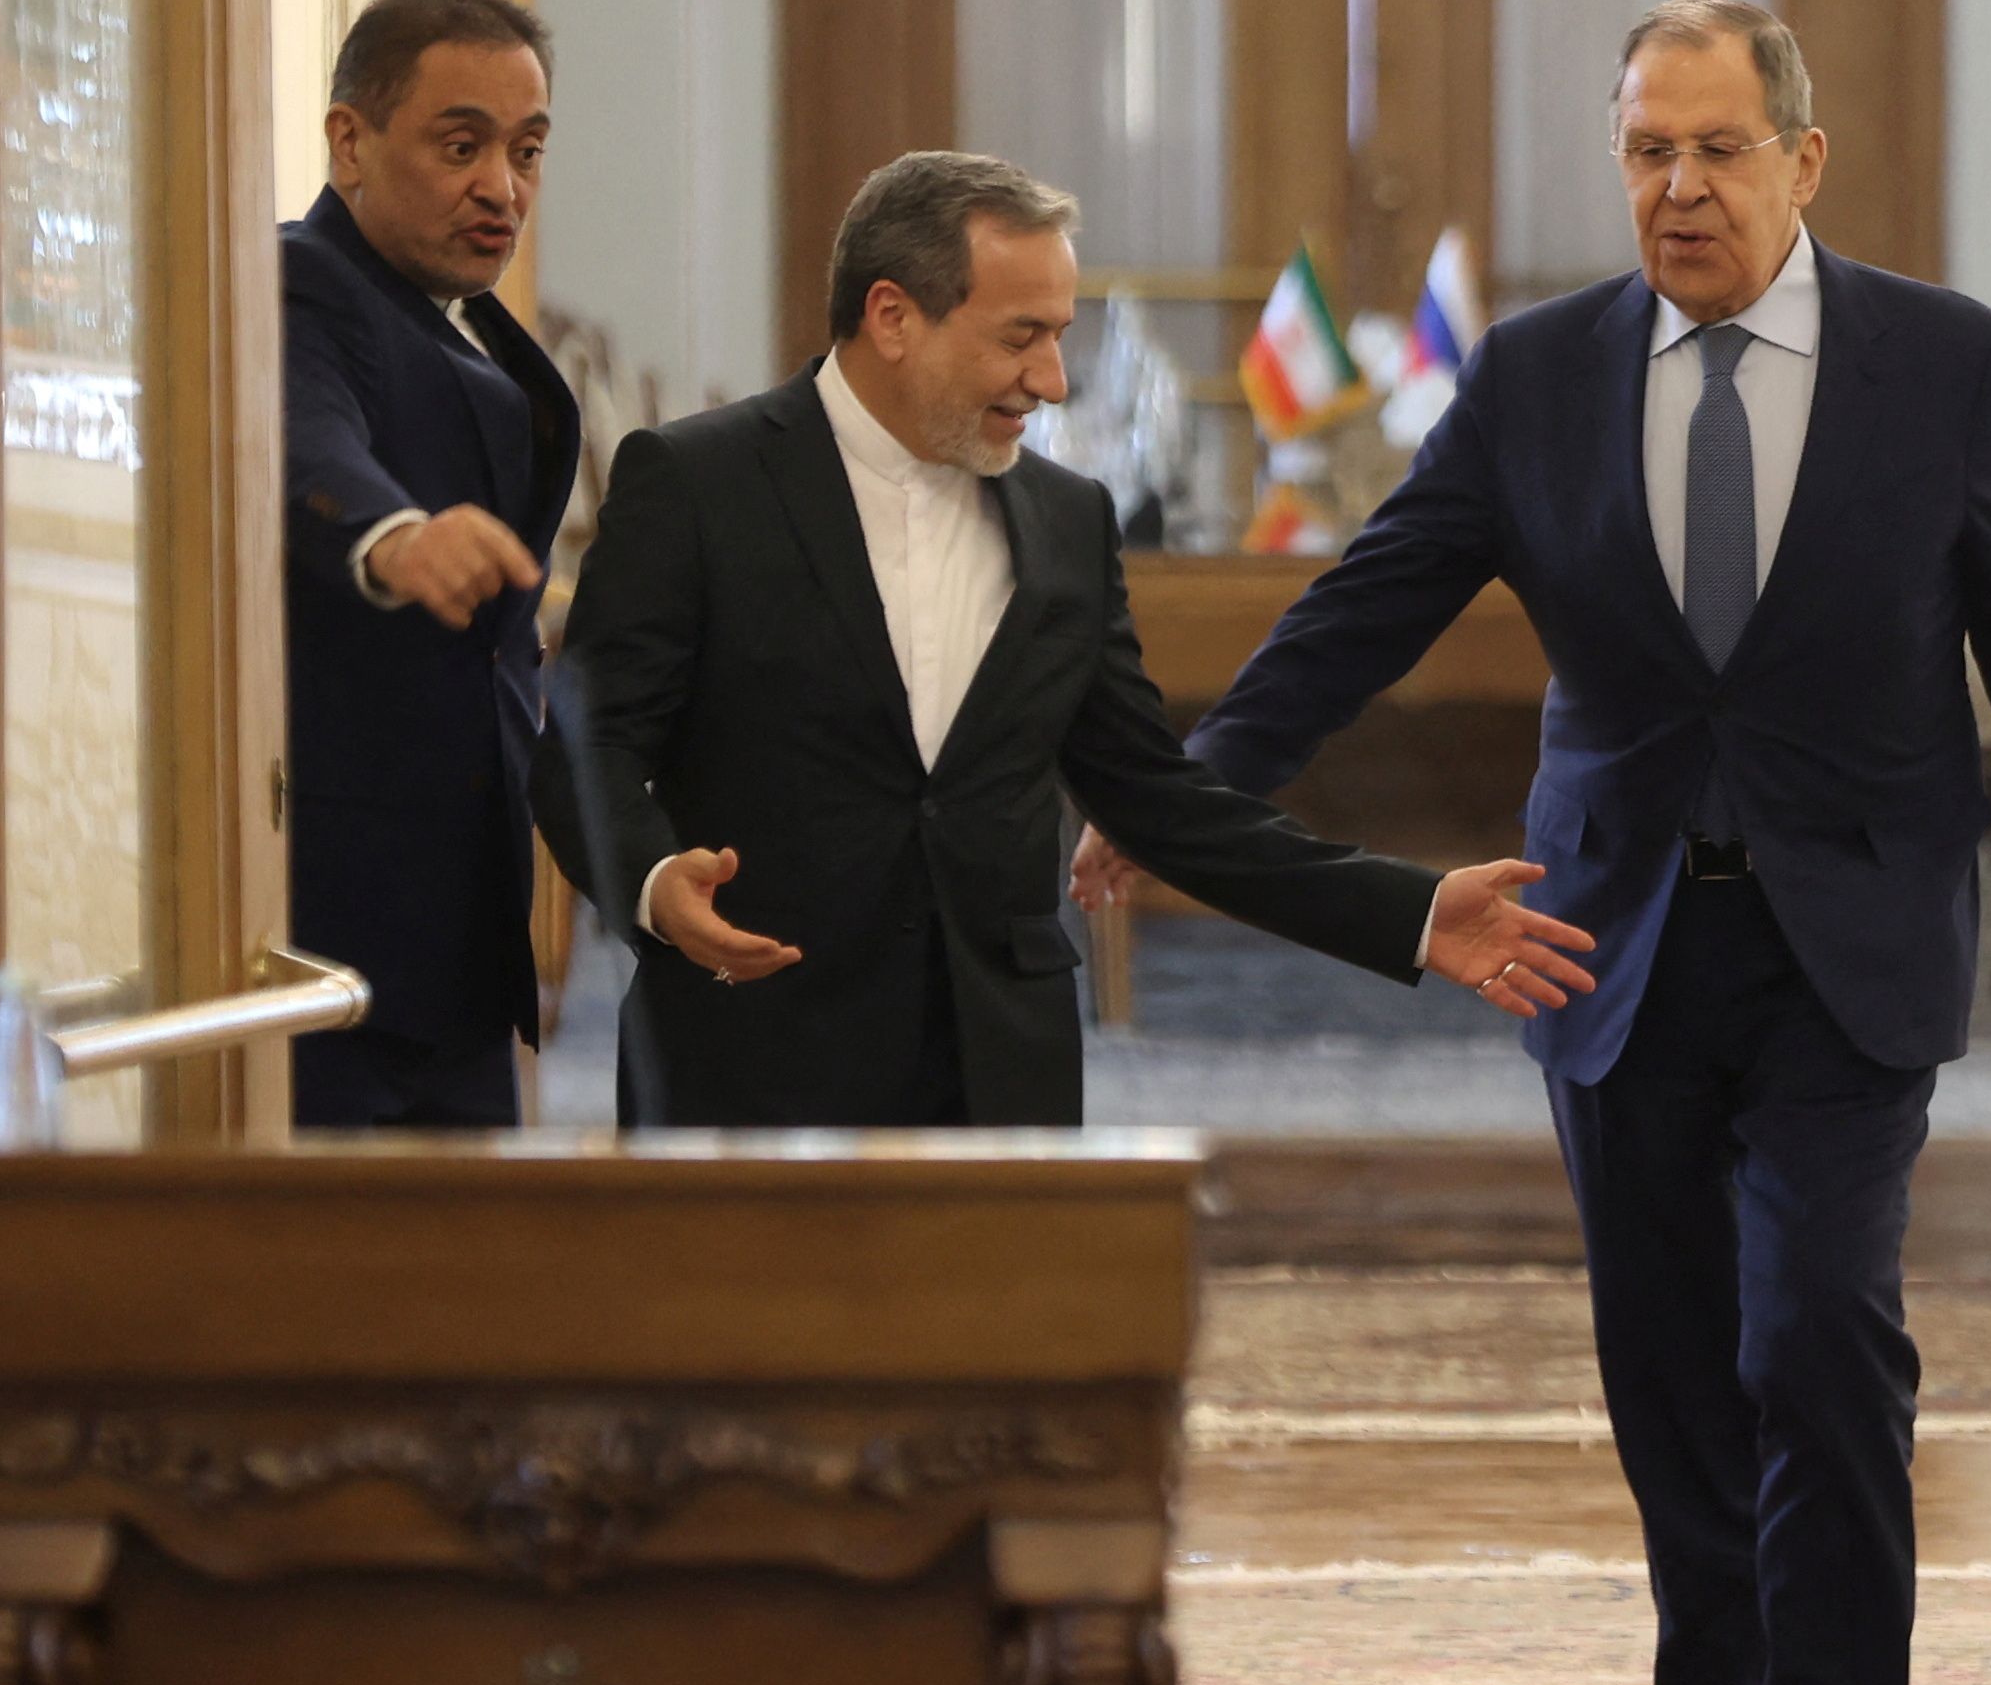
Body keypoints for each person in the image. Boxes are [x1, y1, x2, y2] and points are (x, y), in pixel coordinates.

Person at [1110, 0, 1991, 1685]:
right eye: (1641, 150)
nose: (1675, 187)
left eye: (1712, 149)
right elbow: (1358, 609)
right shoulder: (1535, 378)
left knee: (1818, 1341)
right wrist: (1179, 806)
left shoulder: (1938, 367)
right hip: (1603, 948)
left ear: (1802, 160)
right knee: (1675, 1388)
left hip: (1845, 949)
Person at [534, 150, 1594, 1127]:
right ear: (893, 316)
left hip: (1002, 1070)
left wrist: (1409, 912)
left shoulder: (1067, 519)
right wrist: (652, 881)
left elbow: (1159, 801)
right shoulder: (694, 484)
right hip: (745, 1053)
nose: (1051, 380)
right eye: (1020, 336)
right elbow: (588, 746)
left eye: (1059, 335)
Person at [281, 0, 583, 1128]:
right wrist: (393, 536)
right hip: (343, 943)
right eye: (461, 145)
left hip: (462, 927)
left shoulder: (469, 324)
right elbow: (297, 434)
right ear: (349, 141)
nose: (501, 188)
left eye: (527, 150)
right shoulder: (304, 283)